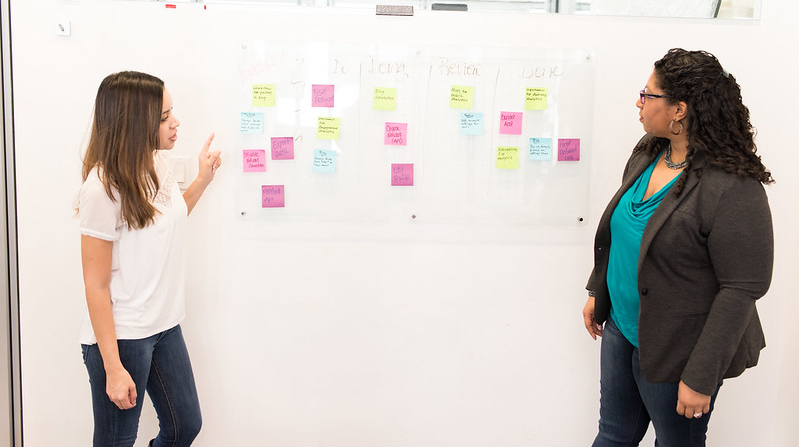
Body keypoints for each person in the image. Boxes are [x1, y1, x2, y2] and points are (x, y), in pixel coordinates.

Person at [582, 48, 773, 446]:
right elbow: (625, 235)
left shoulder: (731, 186)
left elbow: (742, 288)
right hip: (621, 327)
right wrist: (598, 292)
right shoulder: (648, 152)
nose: (639, 102)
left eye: (647, 94)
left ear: (679, 110)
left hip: (680, 348)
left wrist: (700, 376)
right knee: (613, 435)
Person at [78, 71, 222, 447]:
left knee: (184, 426)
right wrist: (112, 366)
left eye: (171, 112)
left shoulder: (157, 164)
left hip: (164, 326)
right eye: (163, 117)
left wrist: (203, 179)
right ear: (133, 122)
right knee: (116, 442)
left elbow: (167, 220)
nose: (175, 123)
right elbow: (95, 285)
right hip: (123, 336)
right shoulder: (102, 188)